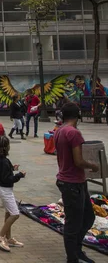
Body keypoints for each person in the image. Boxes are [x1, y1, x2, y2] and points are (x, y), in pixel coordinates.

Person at [54, 102, 99, 263]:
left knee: (88, 217)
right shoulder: (73, 133)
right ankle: (72, 258)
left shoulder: (59, 131)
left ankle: (77, 250)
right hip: (72, 183)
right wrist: (92, 165)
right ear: (77, 116)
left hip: (72, 181)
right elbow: (79, 161)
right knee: (73, 224)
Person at [0, 135, 26, 252]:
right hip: (5, 189)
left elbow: (3, 172)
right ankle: (0, 235)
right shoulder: (4, 161)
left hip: (1, 188)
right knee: (15, 214)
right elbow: (7, 179)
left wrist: (12, 168)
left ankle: (8, 237)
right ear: (7, 147)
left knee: (9, 212)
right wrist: (19, 175)